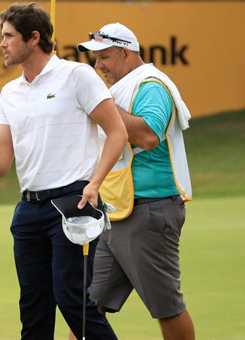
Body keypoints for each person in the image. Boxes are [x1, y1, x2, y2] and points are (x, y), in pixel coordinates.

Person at [0, 3, 127, 339]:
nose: (1, 43)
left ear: (33, 38)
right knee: (33, 307)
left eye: (8, 36)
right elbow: (1, 161)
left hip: (73, 203)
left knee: (72, 300)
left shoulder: (77, 76)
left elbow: (117, 131)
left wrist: (96, 183)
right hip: (28, 211)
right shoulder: (9, 92)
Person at [70, 23, 195, 340]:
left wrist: (101, 107)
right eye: (95, 60)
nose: (99, 67)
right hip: (115, 212)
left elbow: (148, 135)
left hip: (149, 209)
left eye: (105, 57)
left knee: (167, 306)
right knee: (85, 306)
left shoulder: (151, 85)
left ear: (125, 52)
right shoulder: (118, 89)